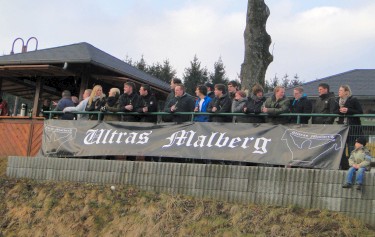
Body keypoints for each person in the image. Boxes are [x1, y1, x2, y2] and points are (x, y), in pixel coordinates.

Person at [334, 85, 363, 170]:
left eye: (341, 90)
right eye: (339, 90)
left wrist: (348, 110)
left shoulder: (353, 100)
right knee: (341, 148)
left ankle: (353, 166)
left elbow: (360, 112)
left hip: (352, 128)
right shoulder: (336, 101)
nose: (339, 92)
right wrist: (340, 111)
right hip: (341, 128)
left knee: (351, 147)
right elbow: (334, 111)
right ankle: (343, 165)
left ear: (346, 92)